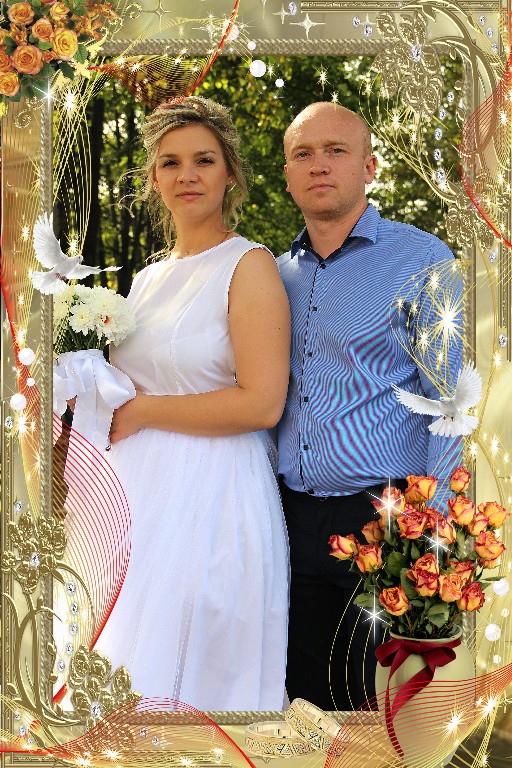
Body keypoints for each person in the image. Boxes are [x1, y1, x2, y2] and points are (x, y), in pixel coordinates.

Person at [95, 96, 291, 711]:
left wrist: (143, 412)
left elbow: (262, 404)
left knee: (196, 672)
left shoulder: (249, 265)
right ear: (154, 179)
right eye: (171, 162)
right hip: (134, 496)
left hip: (214, 496)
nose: (187, 175)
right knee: (118, 670)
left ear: (229, 173)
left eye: (204, 160)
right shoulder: (147, 279)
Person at [277, 102, 462, 712]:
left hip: (383, 519)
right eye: (303, 153)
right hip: (288, 520)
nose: (319, 165)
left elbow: (450, 398)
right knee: (296, 704)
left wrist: (435, 532)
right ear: (287, 174)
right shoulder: (275, 275)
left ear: (369, 166)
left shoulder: (422, 259)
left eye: (336, 150)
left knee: (371, 710)